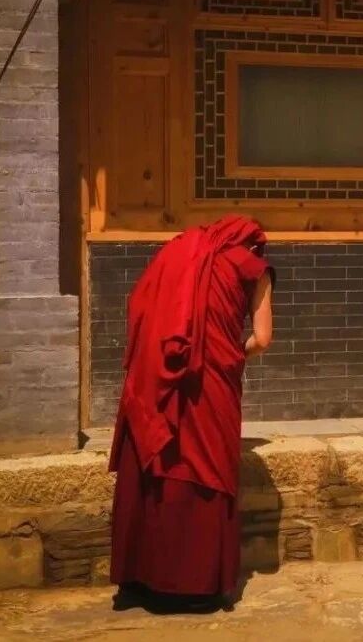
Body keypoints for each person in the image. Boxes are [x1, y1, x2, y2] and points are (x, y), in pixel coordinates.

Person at [108, 215, 274, 609]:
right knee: (208, 466)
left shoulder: (175, 254)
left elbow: (140, 308)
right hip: (212, 382)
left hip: (159, 378)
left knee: (157, 460)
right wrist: (228, 352)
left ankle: (141, 580)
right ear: (251, 242)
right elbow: (263, 339)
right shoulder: (253, 267)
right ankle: (199, 586)